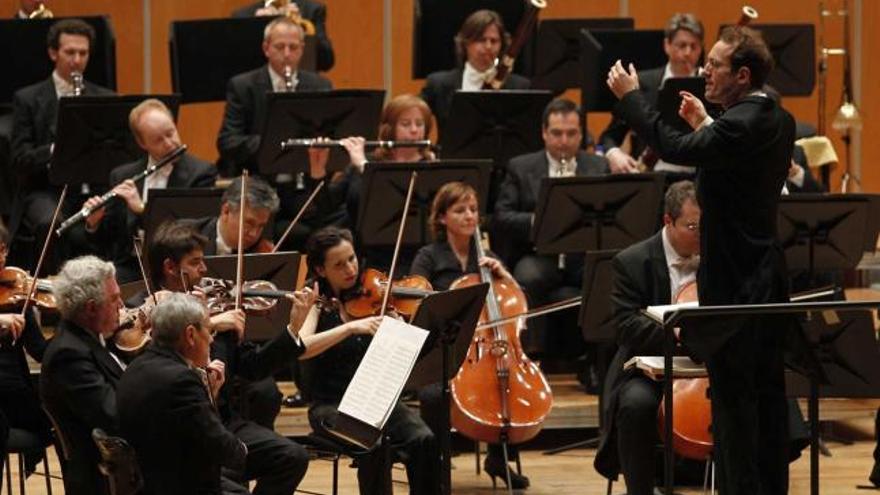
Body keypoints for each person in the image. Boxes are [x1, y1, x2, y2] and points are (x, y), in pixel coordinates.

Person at [607, 25, 796, 494]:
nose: (704, 71)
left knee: (734, 414)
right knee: (768, 408)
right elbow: (736, 166)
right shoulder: (775, 116)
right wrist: (707, 125)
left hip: (734, 287)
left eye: (715, 64)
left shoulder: (740, 124)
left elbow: (672, 150)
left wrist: (632, 98)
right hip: (767, 280)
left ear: (743, 74)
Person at [142, 220, 311, 494]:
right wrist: (208, 324)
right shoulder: (145, 312)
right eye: (195, 262)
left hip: (221, 422)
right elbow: (154, 363)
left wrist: (292, 328)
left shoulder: (212, 304)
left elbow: (254, 367)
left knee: (292, 457)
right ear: (170, 267)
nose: (205, 270)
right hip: (179, 433)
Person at [301, 226, 440, 495]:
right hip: (331, 406)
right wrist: (350, 328)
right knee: (372, 446)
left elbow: (401, 358)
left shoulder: (374, 297)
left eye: (352, 259)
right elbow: (301, 347)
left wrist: (399, 330)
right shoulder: (314, 300)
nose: (350, 269)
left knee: (424, 440)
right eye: (339, 265)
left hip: (376, 400)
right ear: (320, 270)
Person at [409, 181, 529, 489]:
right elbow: (413, 299)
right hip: (441, 349)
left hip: (484, 350)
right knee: (434, 394)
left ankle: (498, 459)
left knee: (505, 382)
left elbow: (514, 302)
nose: (469, 216)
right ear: (441, 218)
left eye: (473, 210)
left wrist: (505, 275)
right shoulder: (428, 256)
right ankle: (436, 463)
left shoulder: (488, 257)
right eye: (460, 210)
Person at [493, 97, 608, 362]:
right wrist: (542, 220)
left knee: (606, 274)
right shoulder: (521, 167)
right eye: (556, 133)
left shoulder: (596, 166)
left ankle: (596, 359)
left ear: (581, 134)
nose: (564, 141)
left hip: (581, 255)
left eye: (571, 133)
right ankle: (530, 357)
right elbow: (502, 216)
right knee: (528, 276)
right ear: (544, 133)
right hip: (539, 253)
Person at [67, 98, 216, 282]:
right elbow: (109, 241)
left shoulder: (201, 173)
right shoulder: (122, 175)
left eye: (170, 133)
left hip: (177, 267)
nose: (170, 143)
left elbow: (193, 232)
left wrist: (142, 210)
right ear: (142, 143)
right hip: (132, 266)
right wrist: (94, 224)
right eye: (158, 140)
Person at [117, 293, 247, 495]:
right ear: (190, 334)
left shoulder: (136, 367)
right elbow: (221, 447)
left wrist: (209, 392)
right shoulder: (180, 380)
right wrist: (242, 450)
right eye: (208, 330)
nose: (212, 339)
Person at [10, 19, 113, 271]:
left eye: (83, 53)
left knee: (121, 218)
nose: (77, 60)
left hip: (92, 187)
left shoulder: (104, 98)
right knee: (50, 222)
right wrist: (57, 148)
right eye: (70, 52)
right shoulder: (28, 99)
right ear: (53, 53)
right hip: (47, 190)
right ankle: (51, 296)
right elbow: (20, 159)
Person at [39, 256, 125, 495]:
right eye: (114, 299)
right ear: (91, 307)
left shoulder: (88, 339)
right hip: (108, 479)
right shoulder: (68, 355)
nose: (122, 305)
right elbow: (113, 416)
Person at [217, 16, 332, 177]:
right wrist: (274, 141)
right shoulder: (243, 86)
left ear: (302, 49)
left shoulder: (320, 86)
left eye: (293, 47)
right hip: (258, 178)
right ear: (266, 48)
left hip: (306, 178)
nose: (286, 54)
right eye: (280, 47)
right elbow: (228, 142)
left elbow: (329, 137)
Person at [599, 13, 704, 176]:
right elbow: (610, 136)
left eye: (694, 46)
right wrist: (614, 154)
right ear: (667, 45)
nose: (688, 52)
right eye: (681, 45)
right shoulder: (639, 83)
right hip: (651, 177)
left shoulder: (708, 86)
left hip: (697, 179)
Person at [420, 9, 530, 134]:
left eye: (494, 41)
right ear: (465, 43)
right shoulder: (438, 84)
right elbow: (414, 116)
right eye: (481, 40)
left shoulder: (520, 87)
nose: (488, 46)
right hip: (451, 154)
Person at [0, 219, 52, 476]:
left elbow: (40, 350)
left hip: (12, 393)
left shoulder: (15, 294)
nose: (0, 258)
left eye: (1, 250)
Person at [183, 174, 278, 256]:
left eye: (261, 226)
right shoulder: (187, 236)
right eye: (249, 223)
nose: (254, 234)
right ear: (226, 211)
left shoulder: (262, 252)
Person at [232, 0, 335, 72]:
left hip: (301, 89)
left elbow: (326, 62)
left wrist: (301, 28)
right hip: (257, 92)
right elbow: (236, 68)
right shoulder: (243, 15)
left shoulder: (312, 10)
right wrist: (256, 26)